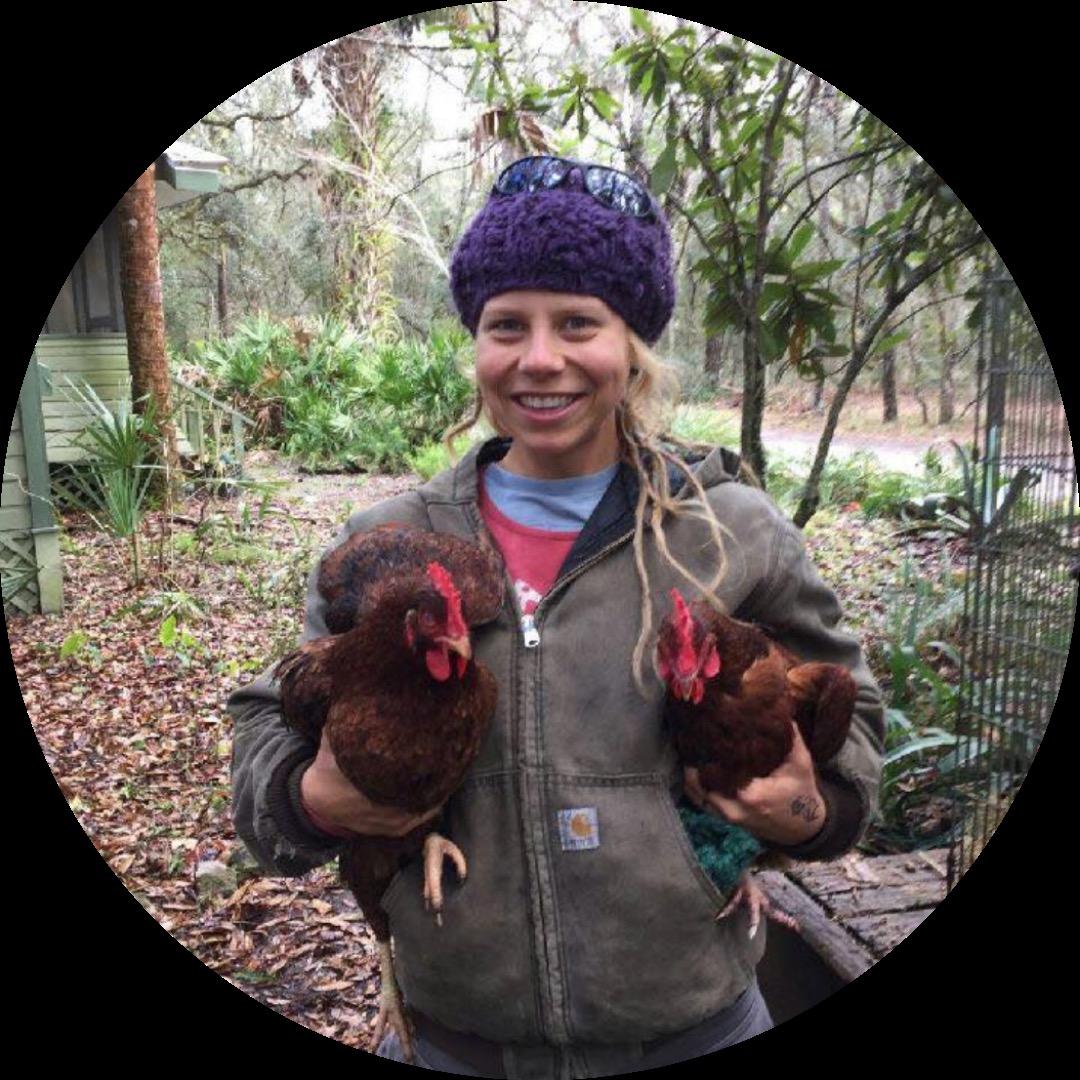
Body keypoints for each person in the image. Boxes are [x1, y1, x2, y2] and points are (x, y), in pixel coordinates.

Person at [228, 155, 884, 1078]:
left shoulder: (732, 529)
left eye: (578, 322)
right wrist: (307, 802)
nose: (539, 358)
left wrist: (810, 812)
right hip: (453, 1040)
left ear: (632, 345)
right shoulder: (387, 543)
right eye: (507, 325)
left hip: (696, 1024)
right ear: (476, 342)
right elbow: (272, 719)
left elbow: (854, 723)